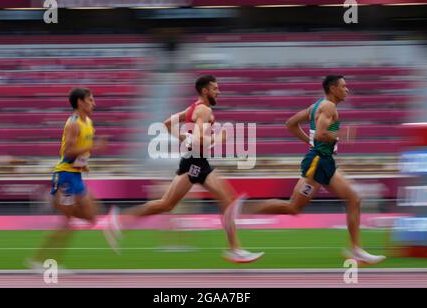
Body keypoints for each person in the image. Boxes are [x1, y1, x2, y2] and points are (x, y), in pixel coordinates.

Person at [105, 75, 263, 263]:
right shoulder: (203, 110)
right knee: (220, 202)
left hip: (195, 161)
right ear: (205, 90)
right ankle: (234, 249)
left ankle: (120, 219)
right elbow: (198, 140)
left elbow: (167, 123)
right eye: (215, 88)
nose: (218, 91)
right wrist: (219, 138)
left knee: (169, 204)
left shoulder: (192, 108)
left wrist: (183, 138)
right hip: (196, 162)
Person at [245, 75, 386, 264]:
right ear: (332, 88)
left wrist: (309, 142)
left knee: (354, 198)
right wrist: (341, 134)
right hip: (318, 164)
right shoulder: (328, 106)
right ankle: (246, 209)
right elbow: (320, 135)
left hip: (324, 161)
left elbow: (290, 124)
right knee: (293, 207)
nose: (347, 90)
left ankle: (356, 250)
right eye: (344, 86)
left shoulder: (316, 106)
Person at [27, 88, 107, 268]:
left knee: (91, 217)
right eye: (91, 100)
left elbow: (79, 153)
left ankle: (53, 201)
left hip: (76, 176)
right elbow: (67, 152)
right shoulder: (74, 124)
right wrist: (94, 147)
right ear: (80, 102)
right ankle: (40, 261)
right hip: (65, 177)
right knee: (67, 223)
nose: (94, 103)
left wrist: (84, 163)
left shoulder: (89, 123)